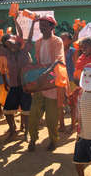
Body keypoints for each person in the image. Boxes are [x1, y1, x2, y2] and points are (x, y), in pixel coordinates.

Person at [28, 14, 66, 152]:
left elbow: (58, 60)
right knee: (33, 116)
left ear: (51, 26)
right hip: (39, 85)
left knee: (51, 118)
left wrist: (43, 72)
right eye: (40, 24)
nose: (42, 27)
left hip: (52, 85)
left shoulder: (57, 41)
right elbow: (37, 61)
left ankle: (53, 140)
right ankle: (32, 139)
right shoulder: (37, 42)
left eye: (44, 24)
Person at [2, 17, 34, 141]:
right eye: (7, 45)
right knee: (7, 111)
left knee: (26, 111)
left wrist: (16, 21)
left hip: (26, 87)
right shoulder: (7, 54)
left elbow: (27, 36)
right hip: (14, 86)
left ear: (17, 42)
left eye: (12, 42)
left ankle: (26, 132)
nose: (10, 45)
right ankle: (13, 129)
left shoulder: (24, 50)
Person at [60, 32, 79, 132]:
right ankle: (62, 125)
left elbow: (75, 64)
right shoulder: (57, 51)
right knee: (60, 104)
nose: (61, 40)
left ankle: (72, 125)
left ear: (70, 41)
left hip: (71, 80)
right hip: (60, 80)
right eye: (61, 38)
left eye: (64, 38)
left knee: (72, 104)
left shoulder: (73, 51)